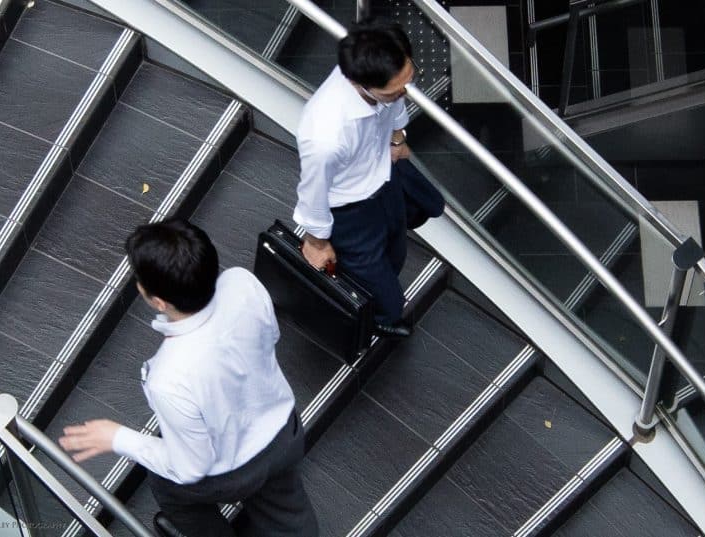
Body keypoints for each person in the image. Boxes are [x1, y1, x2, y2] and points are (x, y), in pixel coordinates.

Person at [59, 219, 318, 537]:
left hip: (234, 473)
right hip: (286, 436)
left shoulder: (169, 376)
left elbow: (190, 467)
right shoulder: (242, 284)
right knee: (285, 508)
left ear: (158, 301)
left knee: (167, 485)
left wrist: (118, 438)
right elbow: (270, 337)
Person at [294, 18, 431, 338]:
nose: (404, 93)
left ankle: (375, 292)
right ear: (359, 84)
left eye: (407, 81)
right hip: (351, 210)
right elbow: (313, 193)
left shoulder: (383, 86)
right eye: (395, 91)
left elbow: (395, 108)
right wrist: (317, 242)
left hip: (383, 180)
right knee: (389, 298)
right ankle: (380, 317)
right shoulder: (325, 134)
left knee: (395, 253)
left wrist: (397, 139)